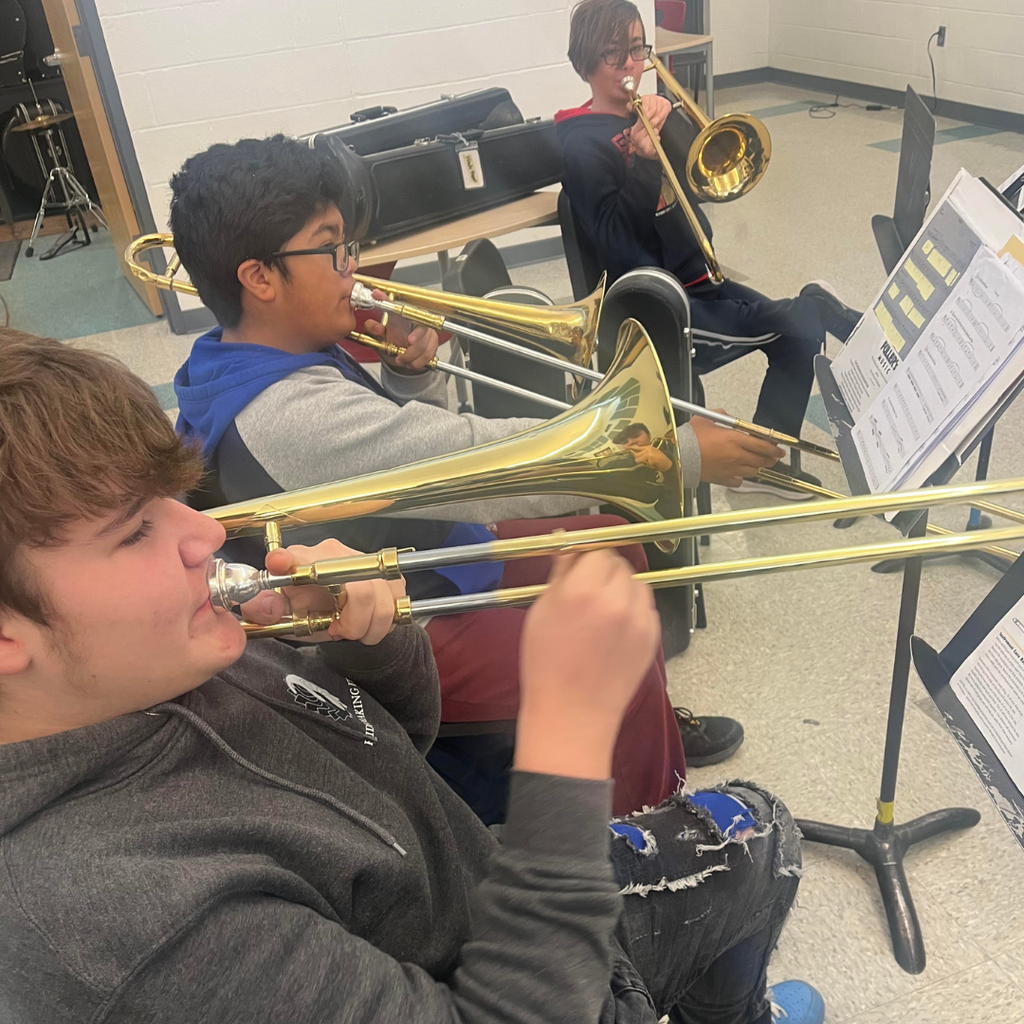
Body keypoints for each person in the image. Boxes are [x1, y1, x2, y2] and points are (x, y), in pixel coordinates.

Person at [0, 327, 824, 1024]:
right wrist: (568, 736)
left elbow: (394, 750)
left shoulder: (144, 663)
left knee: (750, 832)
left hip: (476, 898)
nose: (207, 535)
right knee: (760, 834)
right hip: (531, 987)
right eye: (134, 531)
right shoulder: (132, 928)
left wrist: (372, 645)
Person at [167, 135, 752, 812]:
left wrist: (406, 378)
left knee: (613, 551)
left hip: (404, 556)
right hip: (377, 629)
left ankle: (643, 736)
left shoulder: (245, 352)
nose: (353, 271)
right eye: (333, 250)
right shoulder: (288, 413)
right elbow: (477, 466)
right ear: (260, 279)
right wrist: (678, 452)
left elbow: (395, 456)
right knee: (609, 657)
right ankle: (644, 836)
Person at [557, 0, 864, 499]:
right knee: (799, 327)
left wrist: (675, 132)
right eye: (614, 54)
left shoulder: (643, 115)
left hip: (694, 277)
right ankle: (762, 465)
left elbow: (695, 202)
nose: (632, 65)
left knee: (798, 330)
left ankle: (761, 460)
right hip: (657, 307)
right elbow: (617, 249)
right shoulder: (581, 146)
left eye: (637, 49)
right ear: (586, 63)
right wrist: (644, 162)